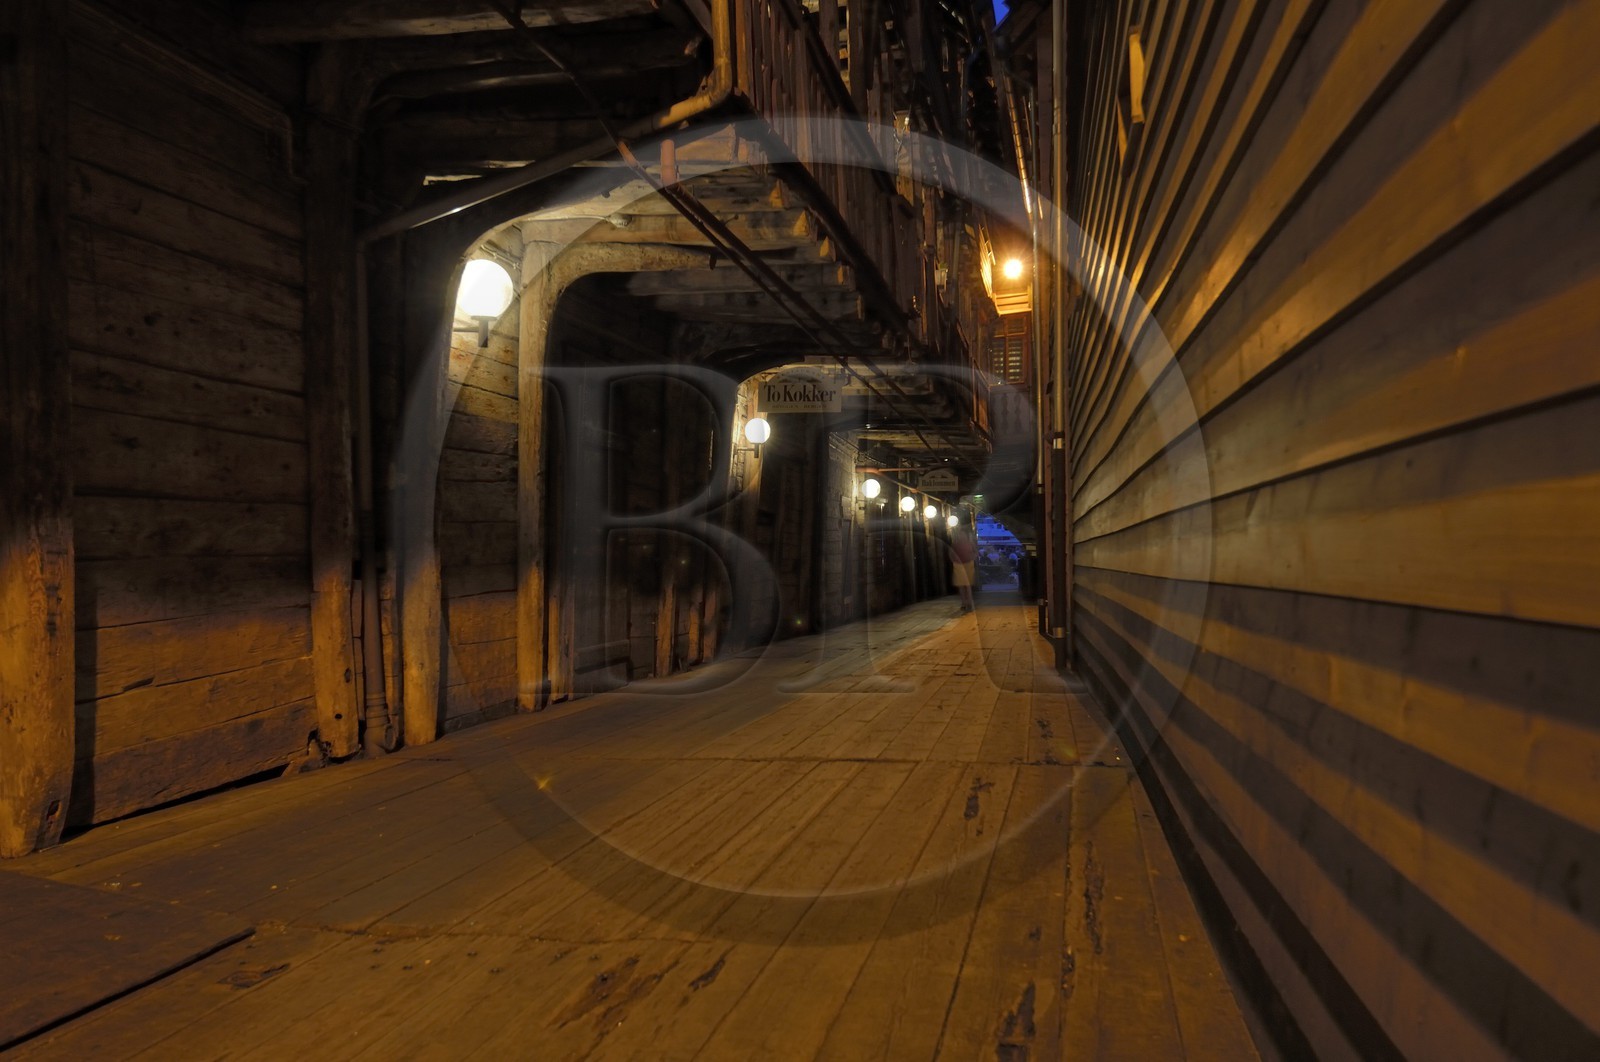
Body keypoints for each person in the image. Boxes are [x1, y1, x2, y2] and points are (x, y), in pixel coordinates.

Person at [948, 525, 977, 612]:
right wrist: (953, 560)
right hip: (959, 565)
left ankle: (969, 603)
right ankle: (964, 603)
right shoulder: (955, 543)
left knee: (967, 586)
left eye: (963, 534)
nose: (961, 536)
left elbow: (975, 552)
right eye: (960, 534)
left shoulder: (970, 543)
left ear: (966, 535)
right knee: (961, 586)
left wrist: (973, 558)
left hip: (968, 564)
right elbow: (950, 552)